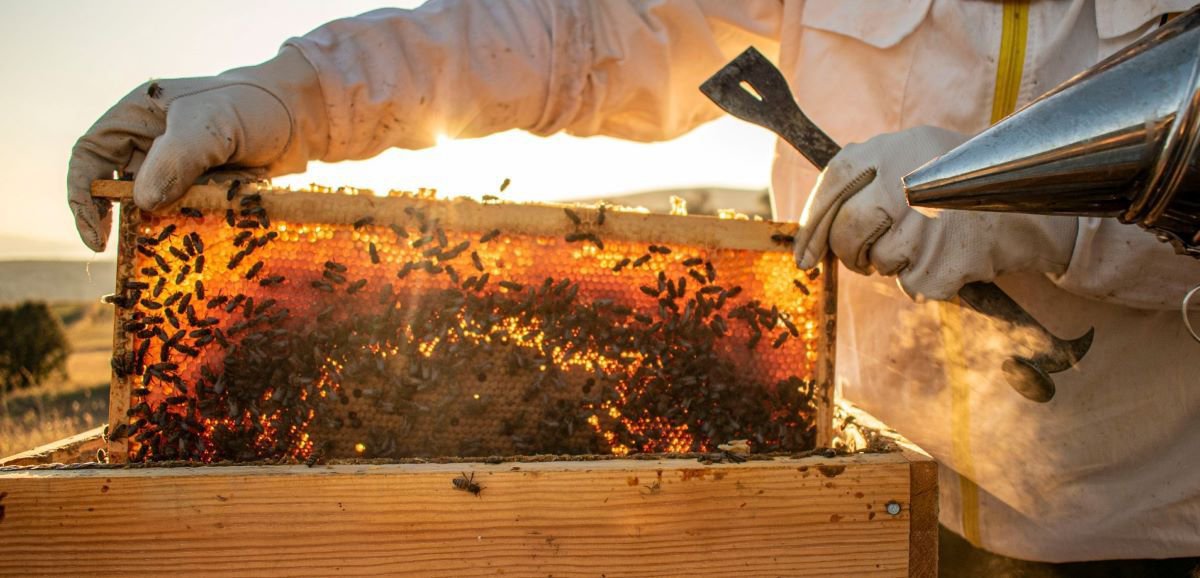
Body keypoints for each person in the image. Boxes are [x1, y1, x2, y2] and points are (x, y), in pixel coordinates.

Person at [67, 0, 1200, 572]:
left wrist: (1048, 208)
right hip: (852, 512)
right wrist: (297, 95)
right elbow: (577, 30)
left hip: (1146, 535)